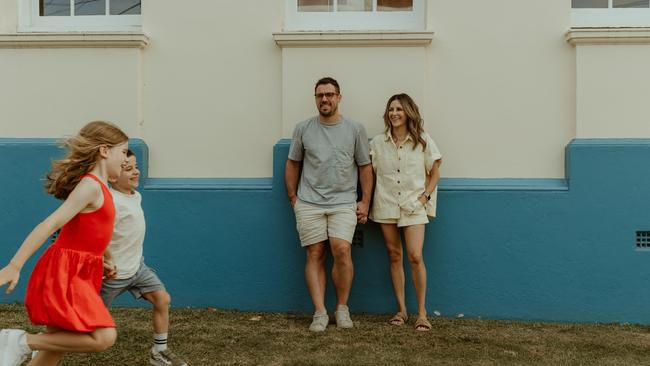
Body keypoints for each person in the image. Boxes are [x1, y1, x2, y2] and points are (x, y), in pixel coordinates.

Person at [0, 121, 128, 365]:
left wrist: (106, 257)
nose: (126, 159)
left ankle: (21, 342)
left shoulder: (101, 188)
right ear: (104, 150)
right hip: (66, 272)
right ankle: (18, 340)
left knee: (57, 344)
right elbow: (50, 224)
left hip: (80, 271)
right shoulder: (90, 186)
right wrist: (15, 265)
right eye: (123, 151)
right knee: (103, 337)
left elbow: (91, 231)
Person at [285, 76, 373, 332]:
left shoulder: (355, 129)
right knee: (315, 253)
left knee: (342, 250)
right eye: (320, 95)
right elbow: (292, 163)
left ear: (339, 97)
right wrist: (293, 198)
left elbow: (365, 167)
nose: (325, 99)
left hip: (344, 202)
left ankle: (342, 308)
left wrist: (365, 201)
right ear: (315, 99)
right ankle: (320, 312)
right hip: (309, 202)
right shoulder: (303, 129)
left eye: (330, 94)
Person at [100, 150, 187, 366]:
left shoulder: (135, 195)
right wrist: (104, 260)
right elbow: (97, 235)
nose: (136, 171)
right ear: (112, 176)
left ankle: (159, 352)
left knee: (162, 299)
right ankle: (46, 348)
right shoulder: (109, 201)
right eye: (128, 169)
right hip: (113, 275)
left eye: (136, 166)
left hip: (138, 268)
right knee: (85, 322)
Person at [369, 94, 442, 332]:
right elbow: (370, 173)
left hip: (414, 205)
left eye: (399, 109)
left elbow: (435, 171)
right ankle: (401, 310)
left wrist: (424, 198)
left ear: (408, 112)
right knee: (394, 255)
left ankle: (422, 313)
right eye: (391, 109)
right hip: (387, 203)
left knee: (415, 256)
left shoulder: (422, 141)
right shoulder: (378, 143)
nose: (394, 113)